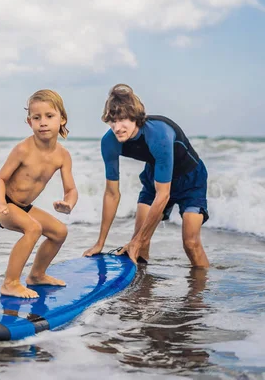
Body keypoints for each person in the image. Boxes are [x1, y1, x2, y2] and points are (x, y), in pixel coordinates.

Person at [83, 84, 210, 268]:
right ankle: (143, 290)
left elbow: (163, 195)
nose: (117, 127)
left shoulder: (158, 135)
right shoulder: (109, 143)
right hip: (155, 176)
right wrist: (100, 243)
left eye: (123, 119)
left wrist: (137, 241)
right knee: (140, 242)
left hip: (190, 180)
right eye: (112, 121)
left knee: (190, 243)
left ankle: (200, 292)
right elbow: (112, 194)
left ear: (135, 117)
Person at [0, 89, 79, 298]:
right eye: (37, 118)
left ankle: (36, 275)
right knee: (33, 229)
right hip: (0, 200)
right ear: (29, 122)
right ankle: (10, 283)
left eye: (49, 116)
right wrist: (0, 203)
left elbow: (71, 190)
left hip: (22, 206)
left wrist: (68, 203)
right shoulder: (23, 149)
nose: (43, 122)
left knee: (59, 232)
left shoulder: (63, 156)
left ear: (62, 119)